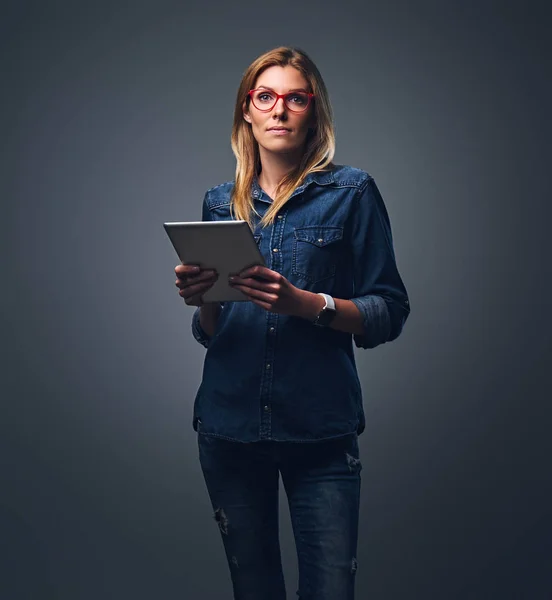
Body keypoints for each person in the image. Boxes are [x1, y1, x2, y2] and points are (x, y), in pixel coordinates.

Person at [174, 46, 410, 600]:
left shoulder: (351, 193)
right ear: (247, 113)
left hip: (320, 433)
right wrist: (203, 300)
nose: (279, 109)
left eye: (295, 98)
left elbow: (389, 311)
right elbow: (213, 334)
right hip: (228, 429)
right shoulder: (218, 202)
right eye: (266, 97)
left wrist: (306, 304)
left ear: (313, 112)